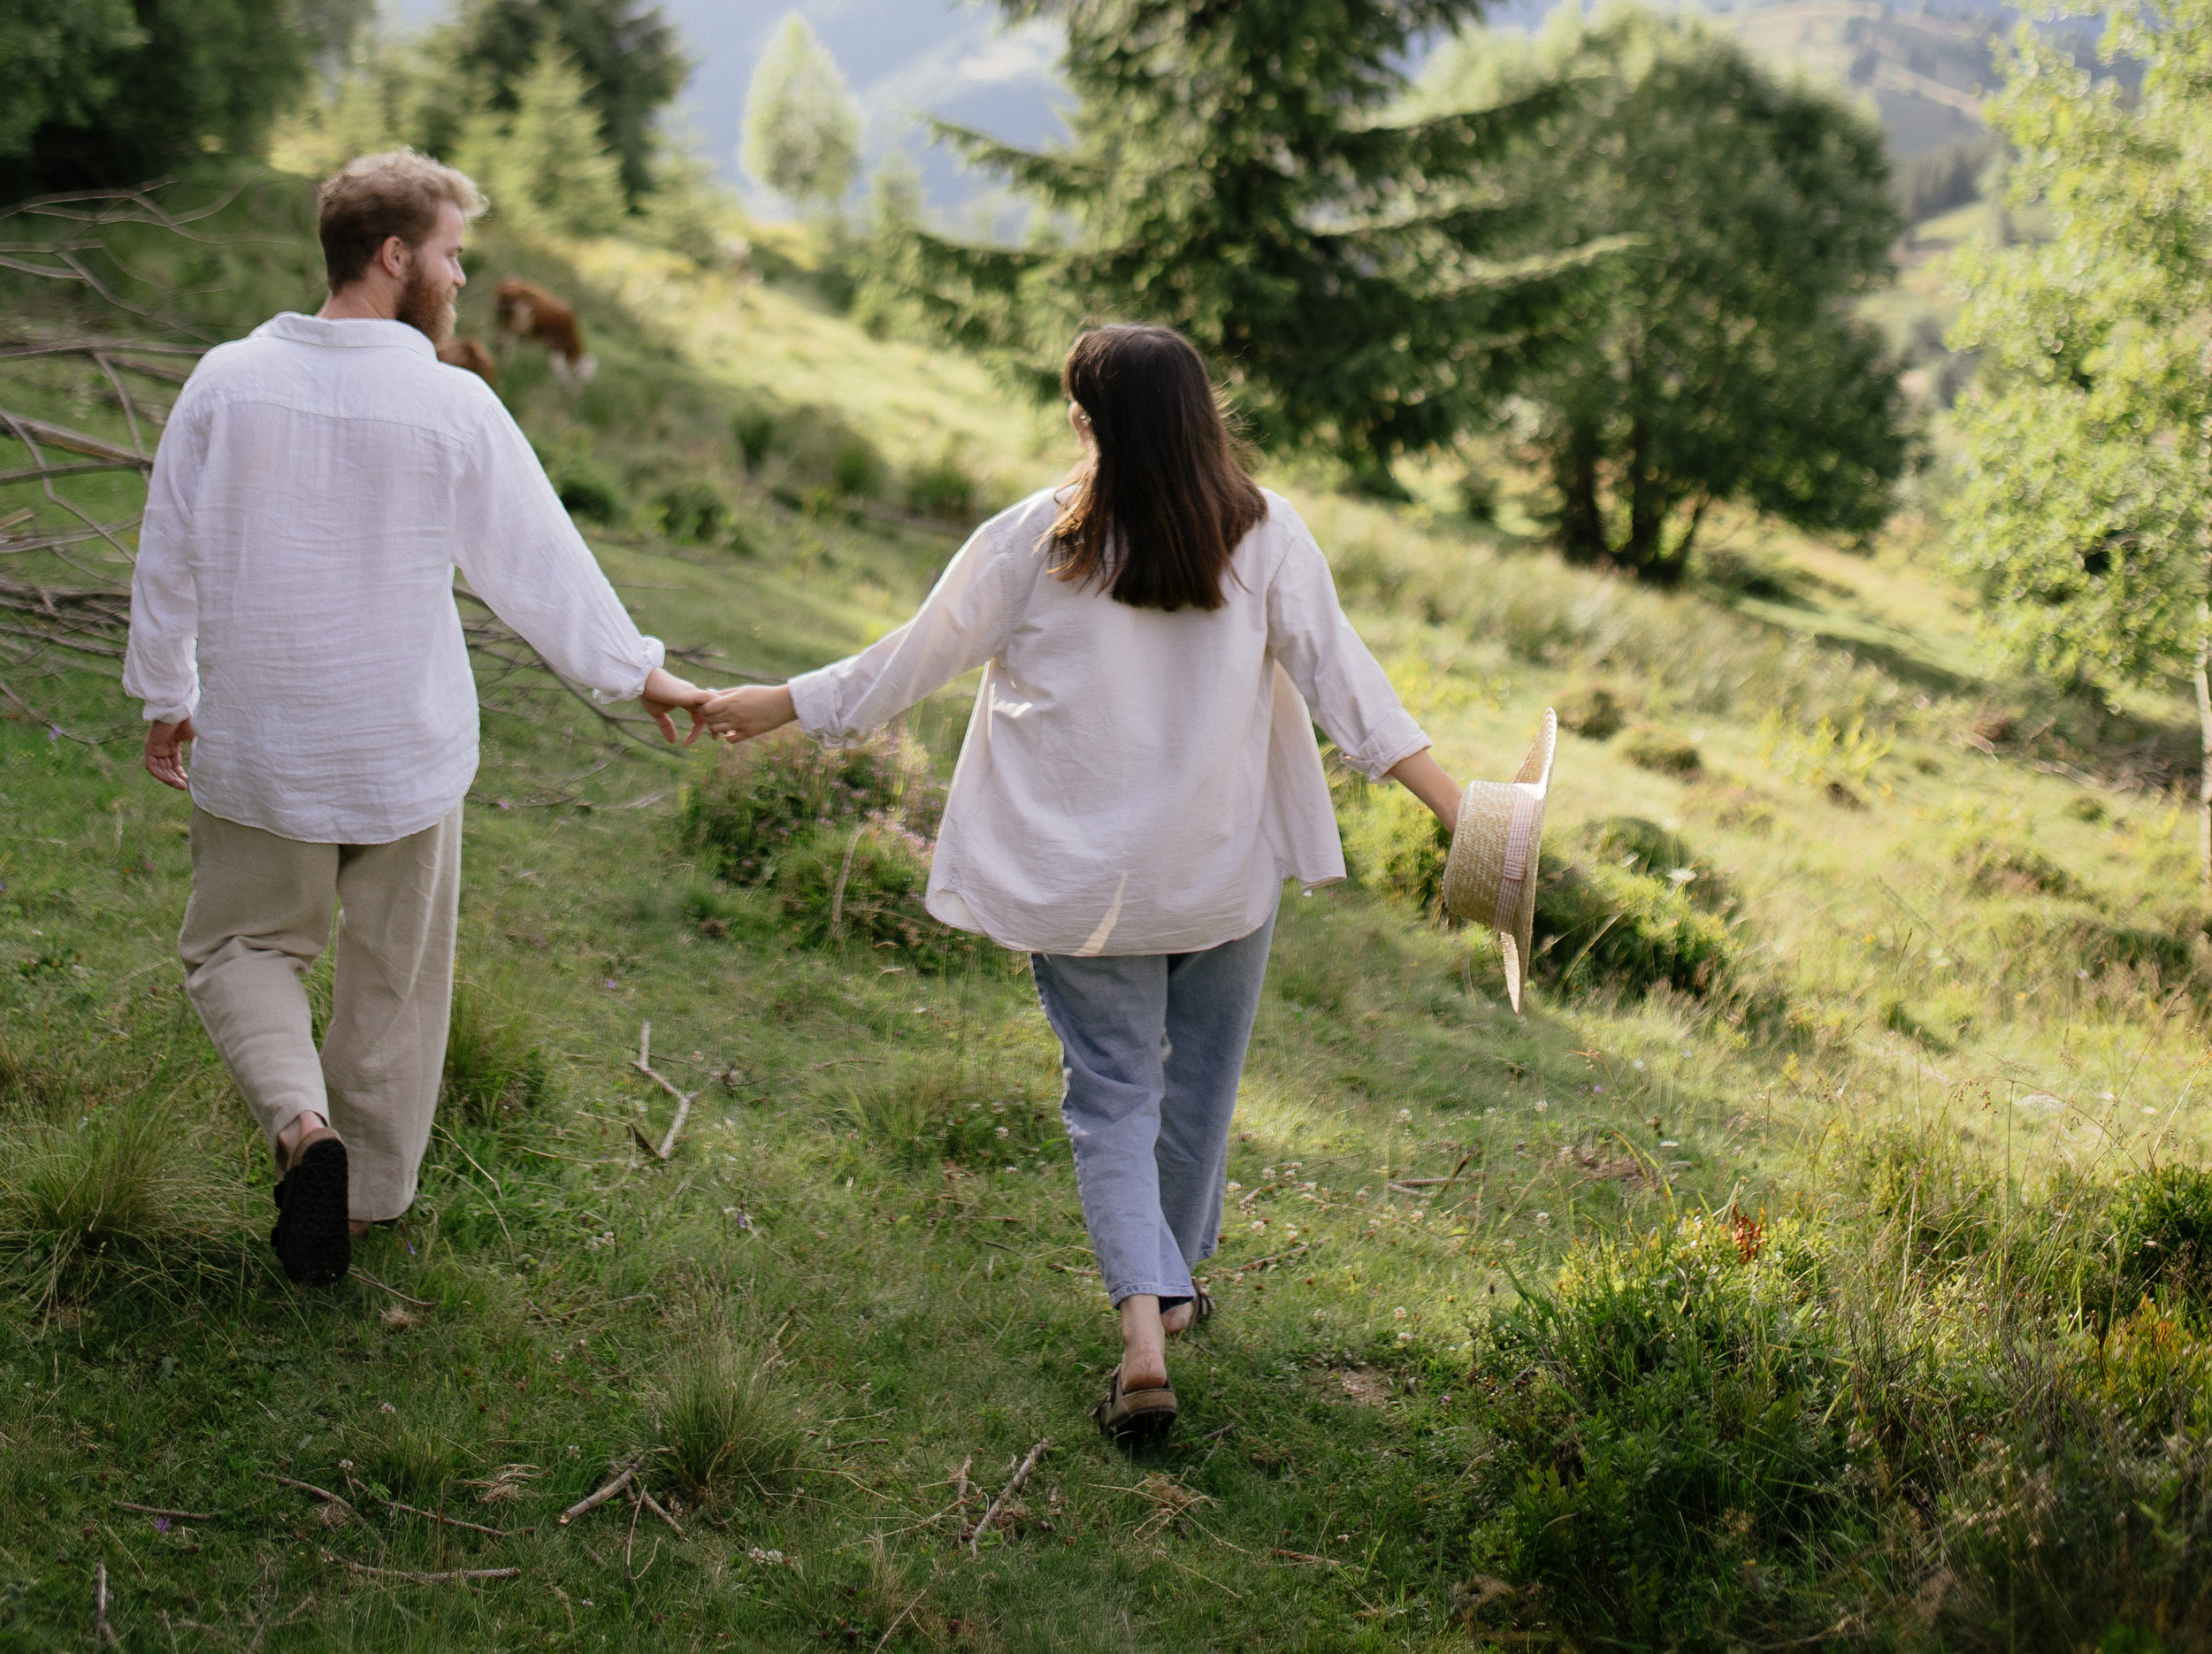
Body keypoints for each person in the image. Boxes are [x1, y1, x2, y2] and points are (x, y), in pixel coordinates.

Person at [697, 318, 1466, 1440]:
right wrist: (1466, 818)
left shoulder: (1034, 540)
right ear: (1203, 416)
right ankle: (1175, 1285)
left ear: (1086, 420)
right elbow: (1353, 694)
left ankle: (1143, 1341)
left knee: (1114, 1096)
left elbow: (907, 662)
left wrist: (775, 704)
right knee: (1198, 1084)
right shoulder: (1264, 534)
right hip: (1217, 875)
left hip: (1081, 884)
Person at [124, 148, 709, 1286]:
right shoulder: (453, 403)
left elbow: (167, 552)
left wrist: (167, 693)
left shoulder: (226, 379)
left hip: (264, 740)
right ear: (396, 257)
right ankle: (358, 1210)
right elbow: (540, 565)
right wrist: (640, 673)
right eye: (450, 254)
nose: (459, 275)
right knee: (393, 982)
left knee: (241, 945)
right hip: (404, 749)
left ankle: (303, 1130)